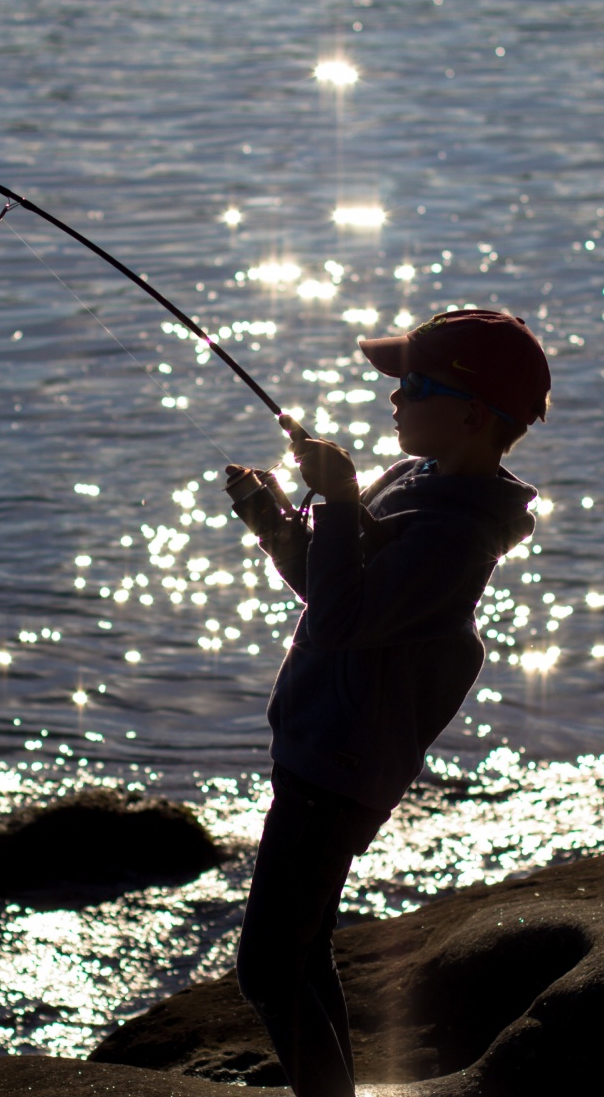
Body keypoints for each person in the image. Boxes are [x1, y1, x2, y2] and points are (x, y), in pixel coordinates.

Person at [230, 308, 551, 1097]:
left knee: (268, 966)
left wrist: (339, 499)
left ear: (473, 413)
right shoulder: (416, 479)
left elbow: (341, 617)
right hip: (316, 747)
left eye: (412, 385)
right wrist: (276, 519)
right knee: (301, 954)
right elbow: (333, 587)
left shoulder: (455, 540)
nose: (393, 400)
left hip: (338, 769)